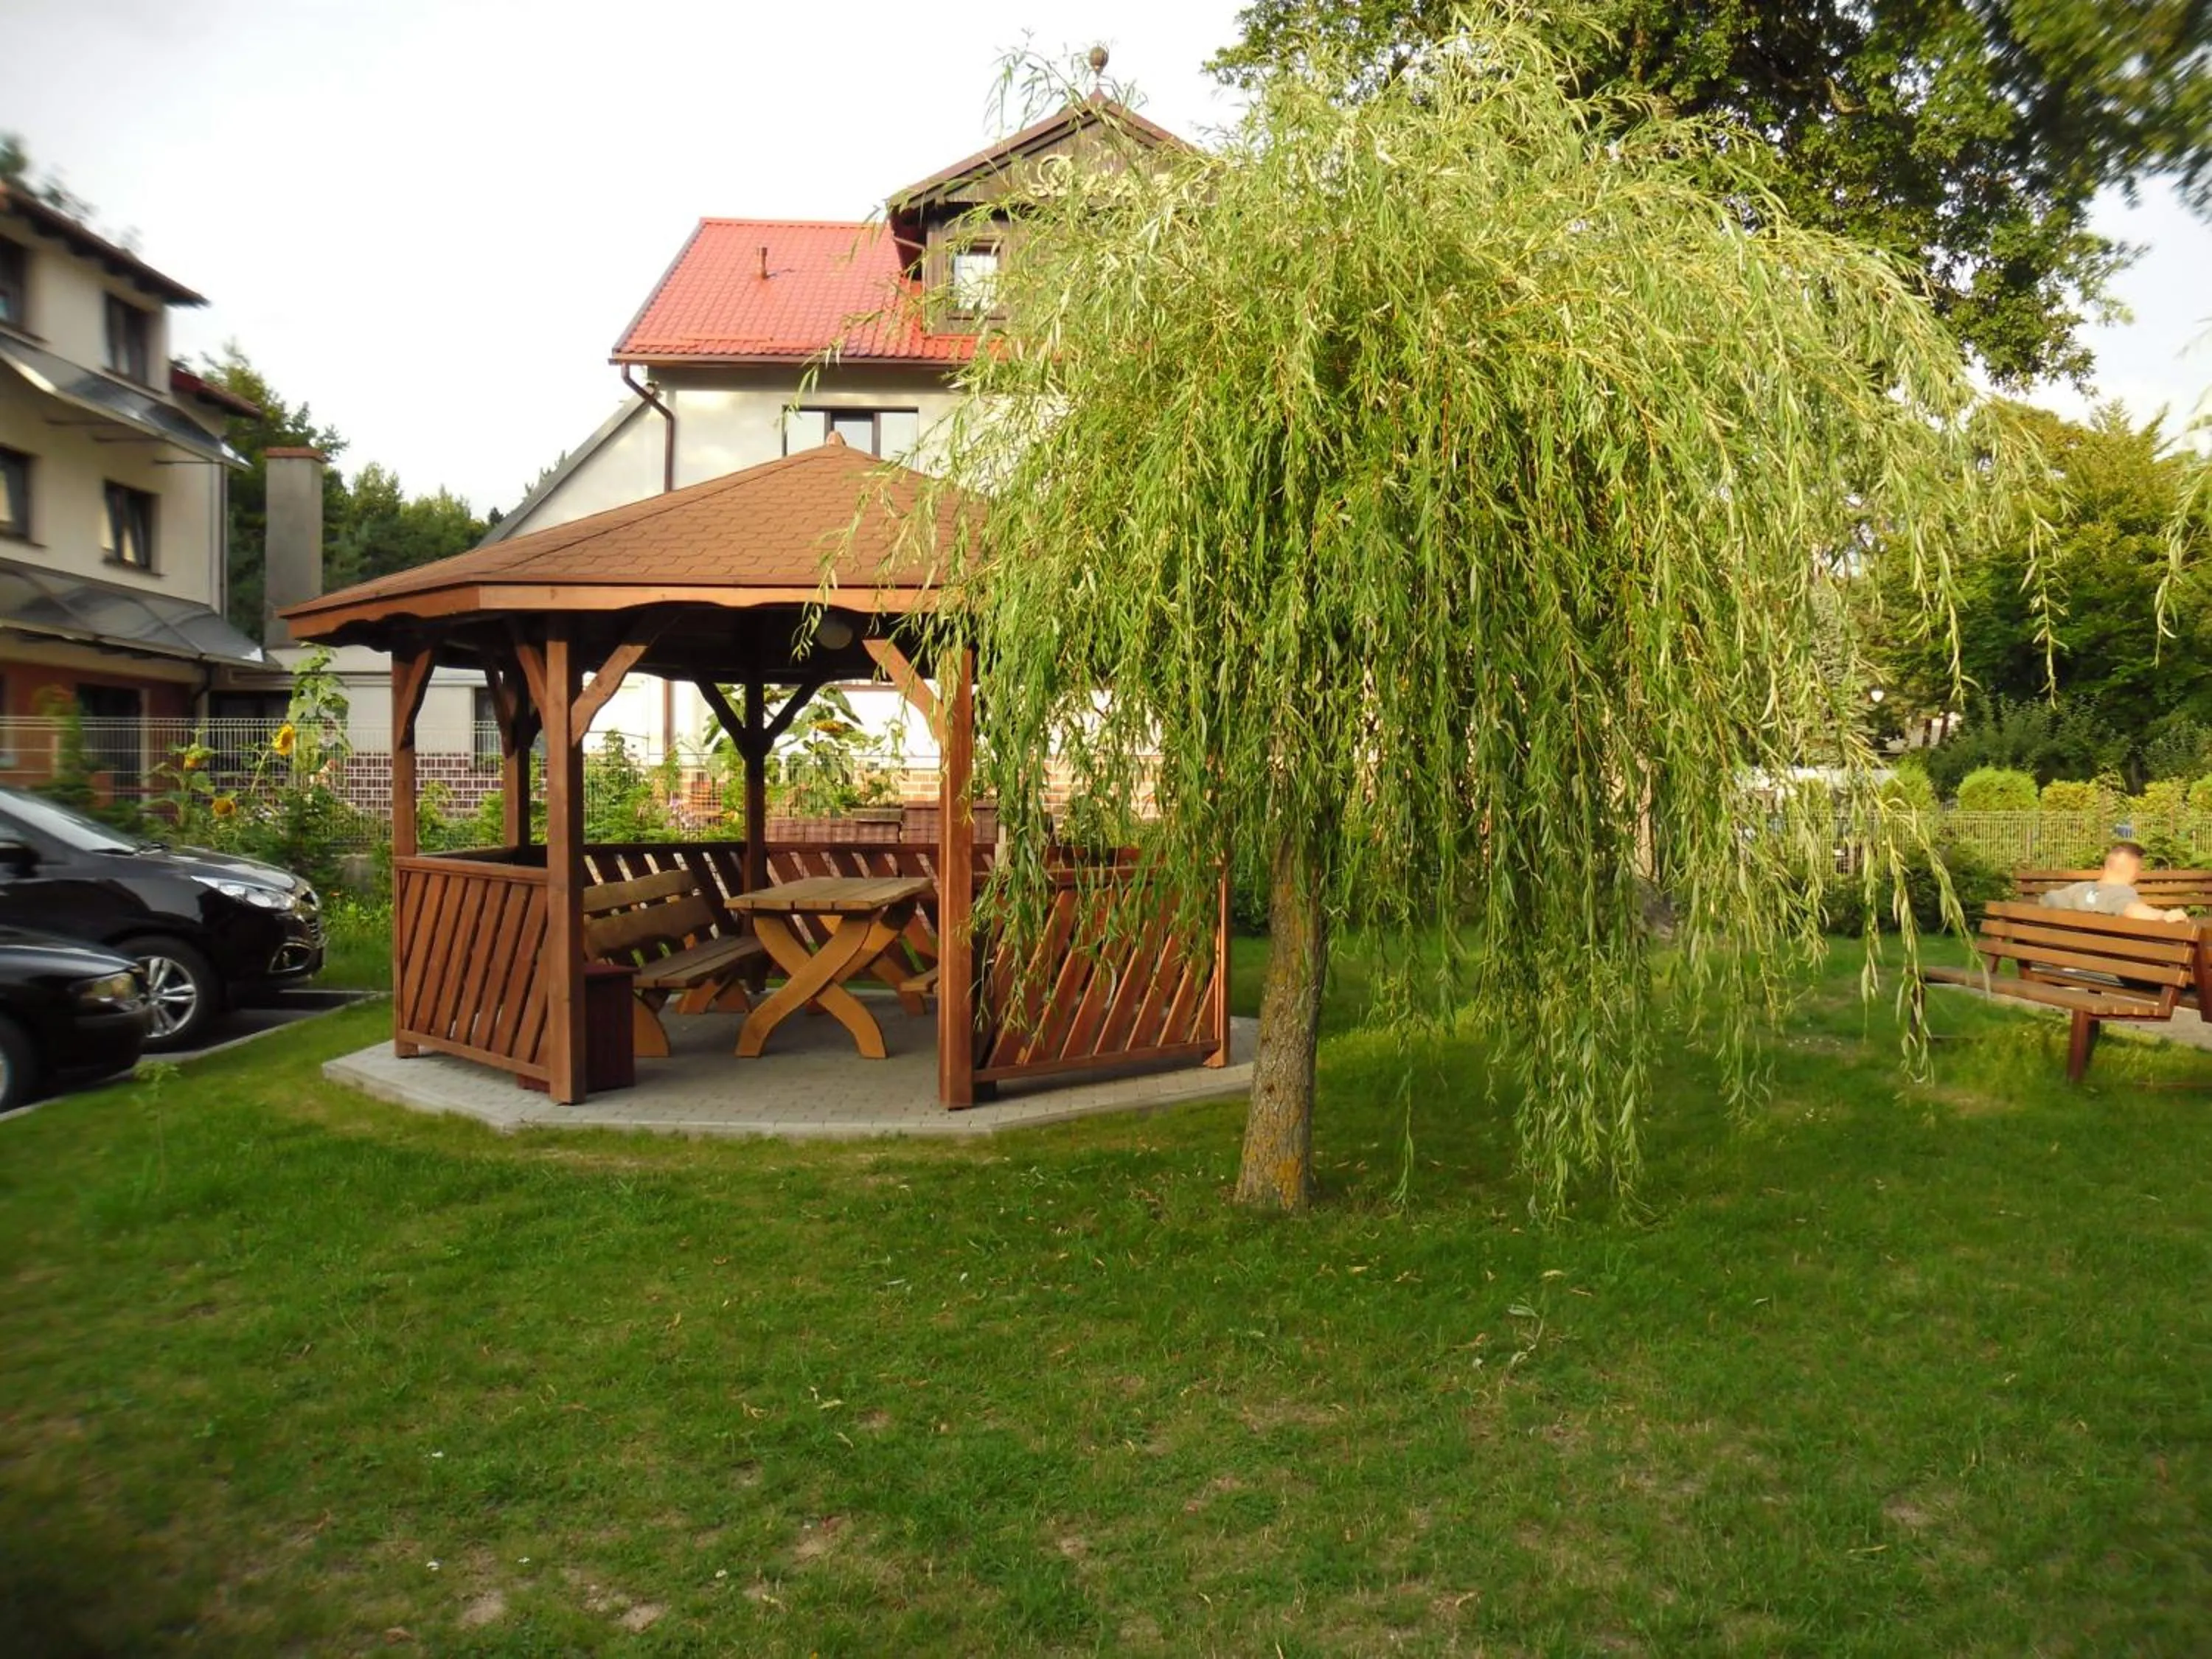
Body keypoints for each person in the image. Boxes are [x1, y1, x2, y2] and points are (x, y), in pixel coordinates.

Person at [2037, 841, 2188, 922]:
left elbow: (2047, 900)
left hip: (2068, 965)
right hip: (2104, 971)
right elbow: (2129, 909)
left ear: (2106, 866)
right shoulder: (2121, 892)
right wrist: (2164, 915)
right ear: (2136, 873)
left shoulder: (2078, 889)